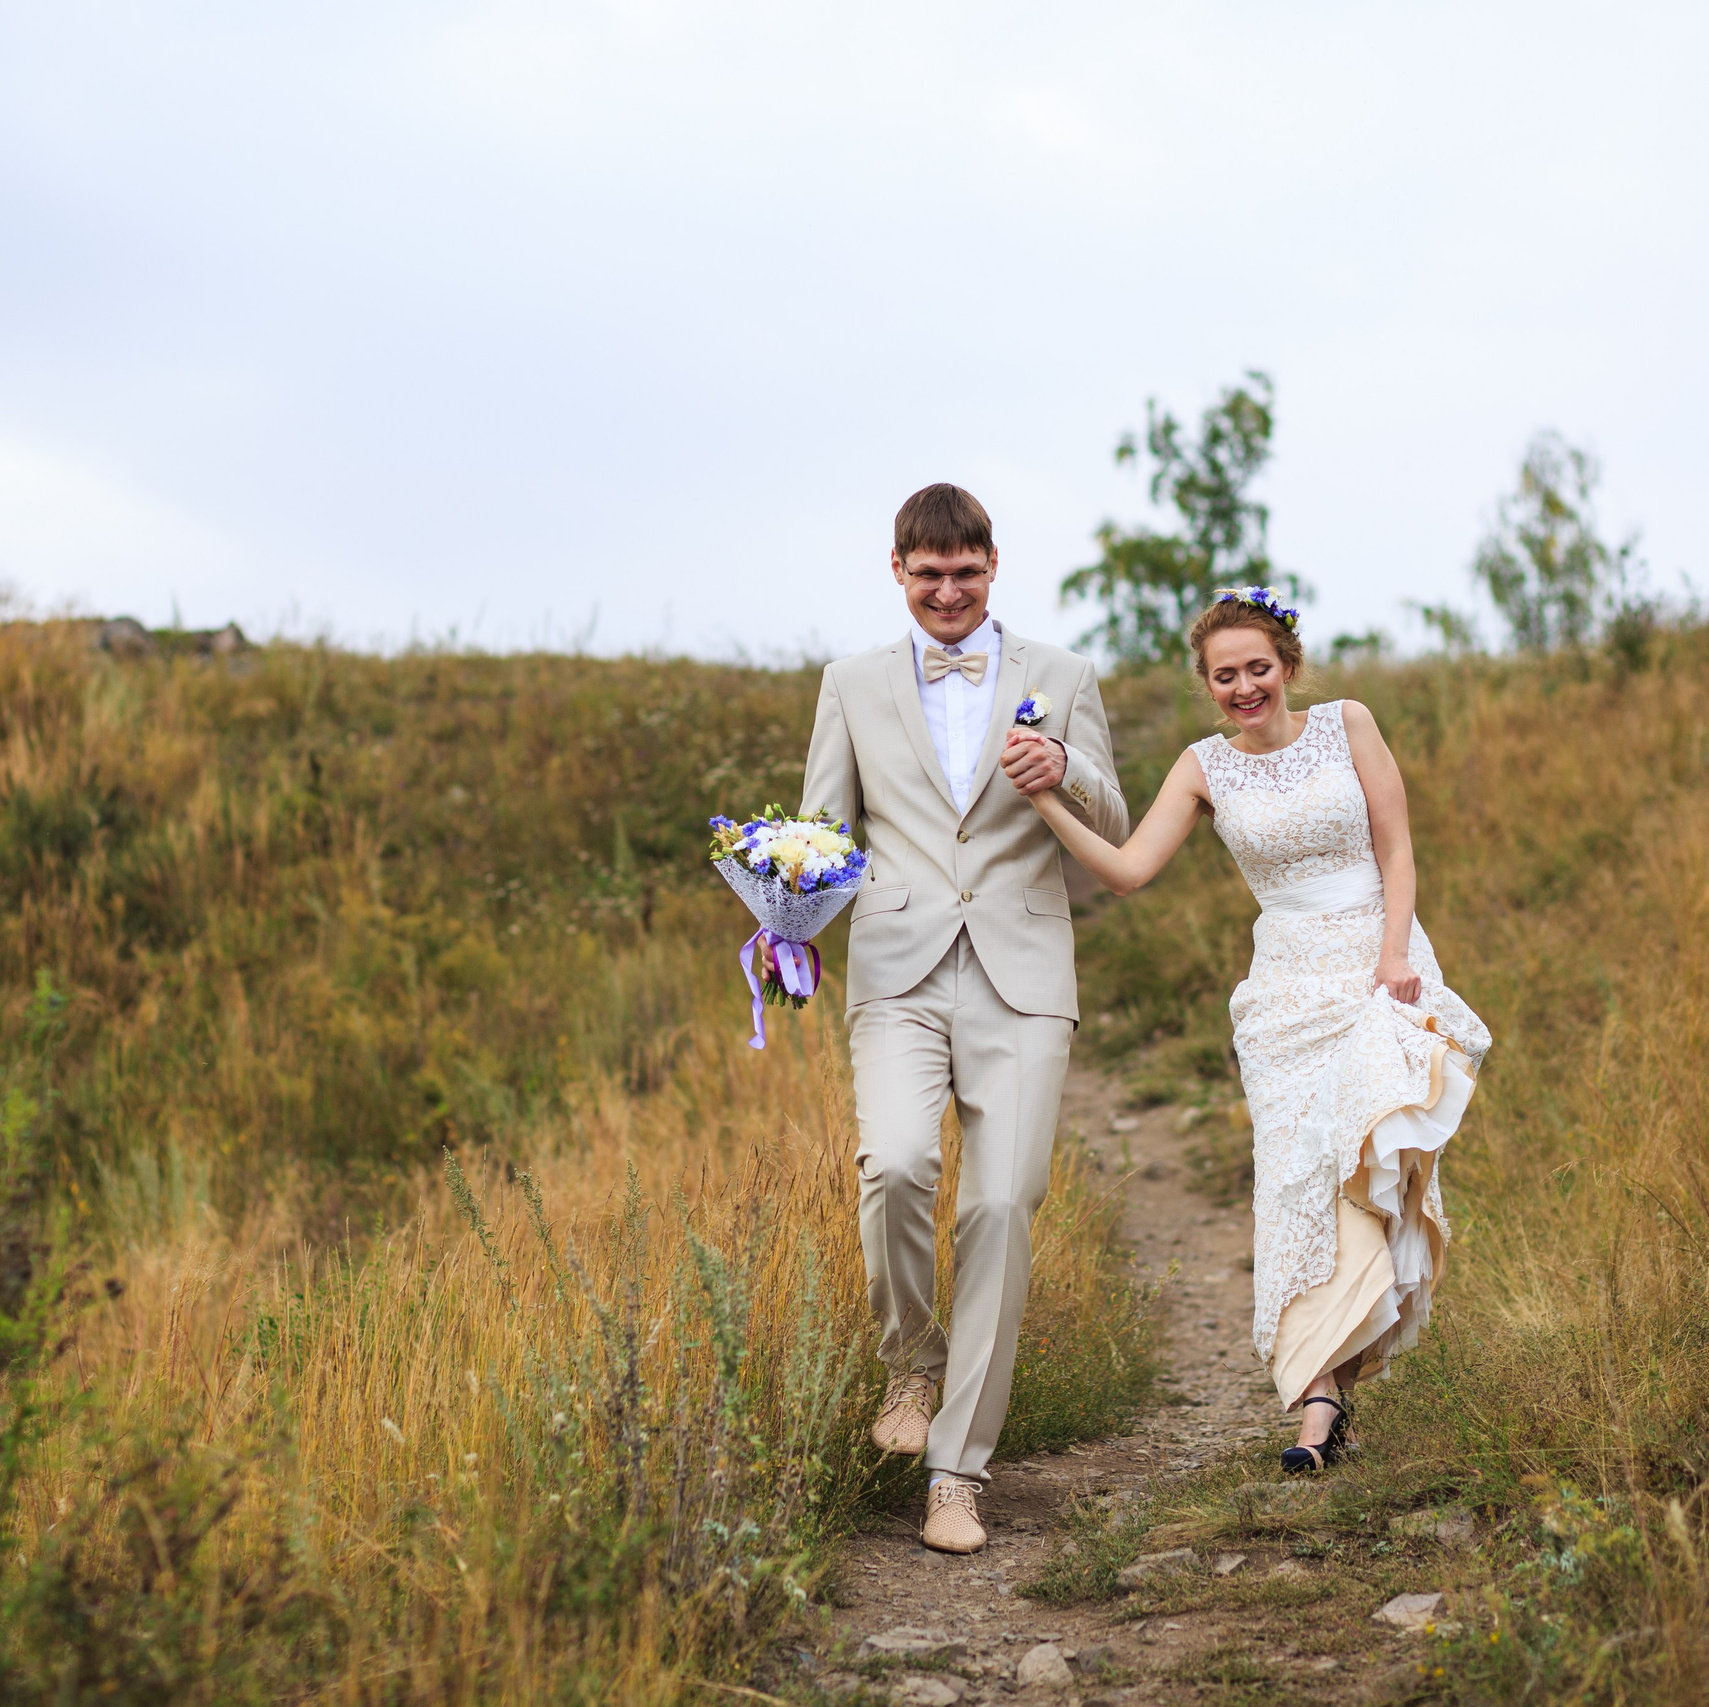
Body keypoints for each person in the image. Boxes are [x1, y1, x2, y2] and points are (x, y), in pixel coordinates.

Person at [1004, 587, 1489, 1471]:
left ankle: (1329, 1386)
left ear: (1287, 667)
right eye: (1223, 675)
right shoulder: (1202, 767)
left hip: (1375, 967)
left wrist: (1392, 955)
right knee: (1294, 1180)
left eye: (1256, 668)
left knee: (1359, 1160)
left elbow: (1396, 847)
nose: (1242, 687)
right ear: (1206, 683)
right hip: (1281, 993)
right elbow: (1125, 869)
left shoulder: (1350, 723)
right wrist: (1046, 798)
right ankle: (1318, 1395)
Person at [786, 483, 1128, 1552]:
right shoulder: (848, 683)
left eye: (964, 572)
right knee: (891, 1164)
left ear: (993, 567)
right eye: (926, 573)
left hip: (1023, 974)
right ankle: (909, 1363)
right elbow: (819, 831)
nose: (947, 590)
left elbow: (1115, 825)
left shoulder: (1062, 679)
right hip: (896, 965)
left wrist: (1062, 770)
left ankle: (956, 1476)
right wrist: (780, 909)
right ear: (897, 572)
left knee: (999, 1209)